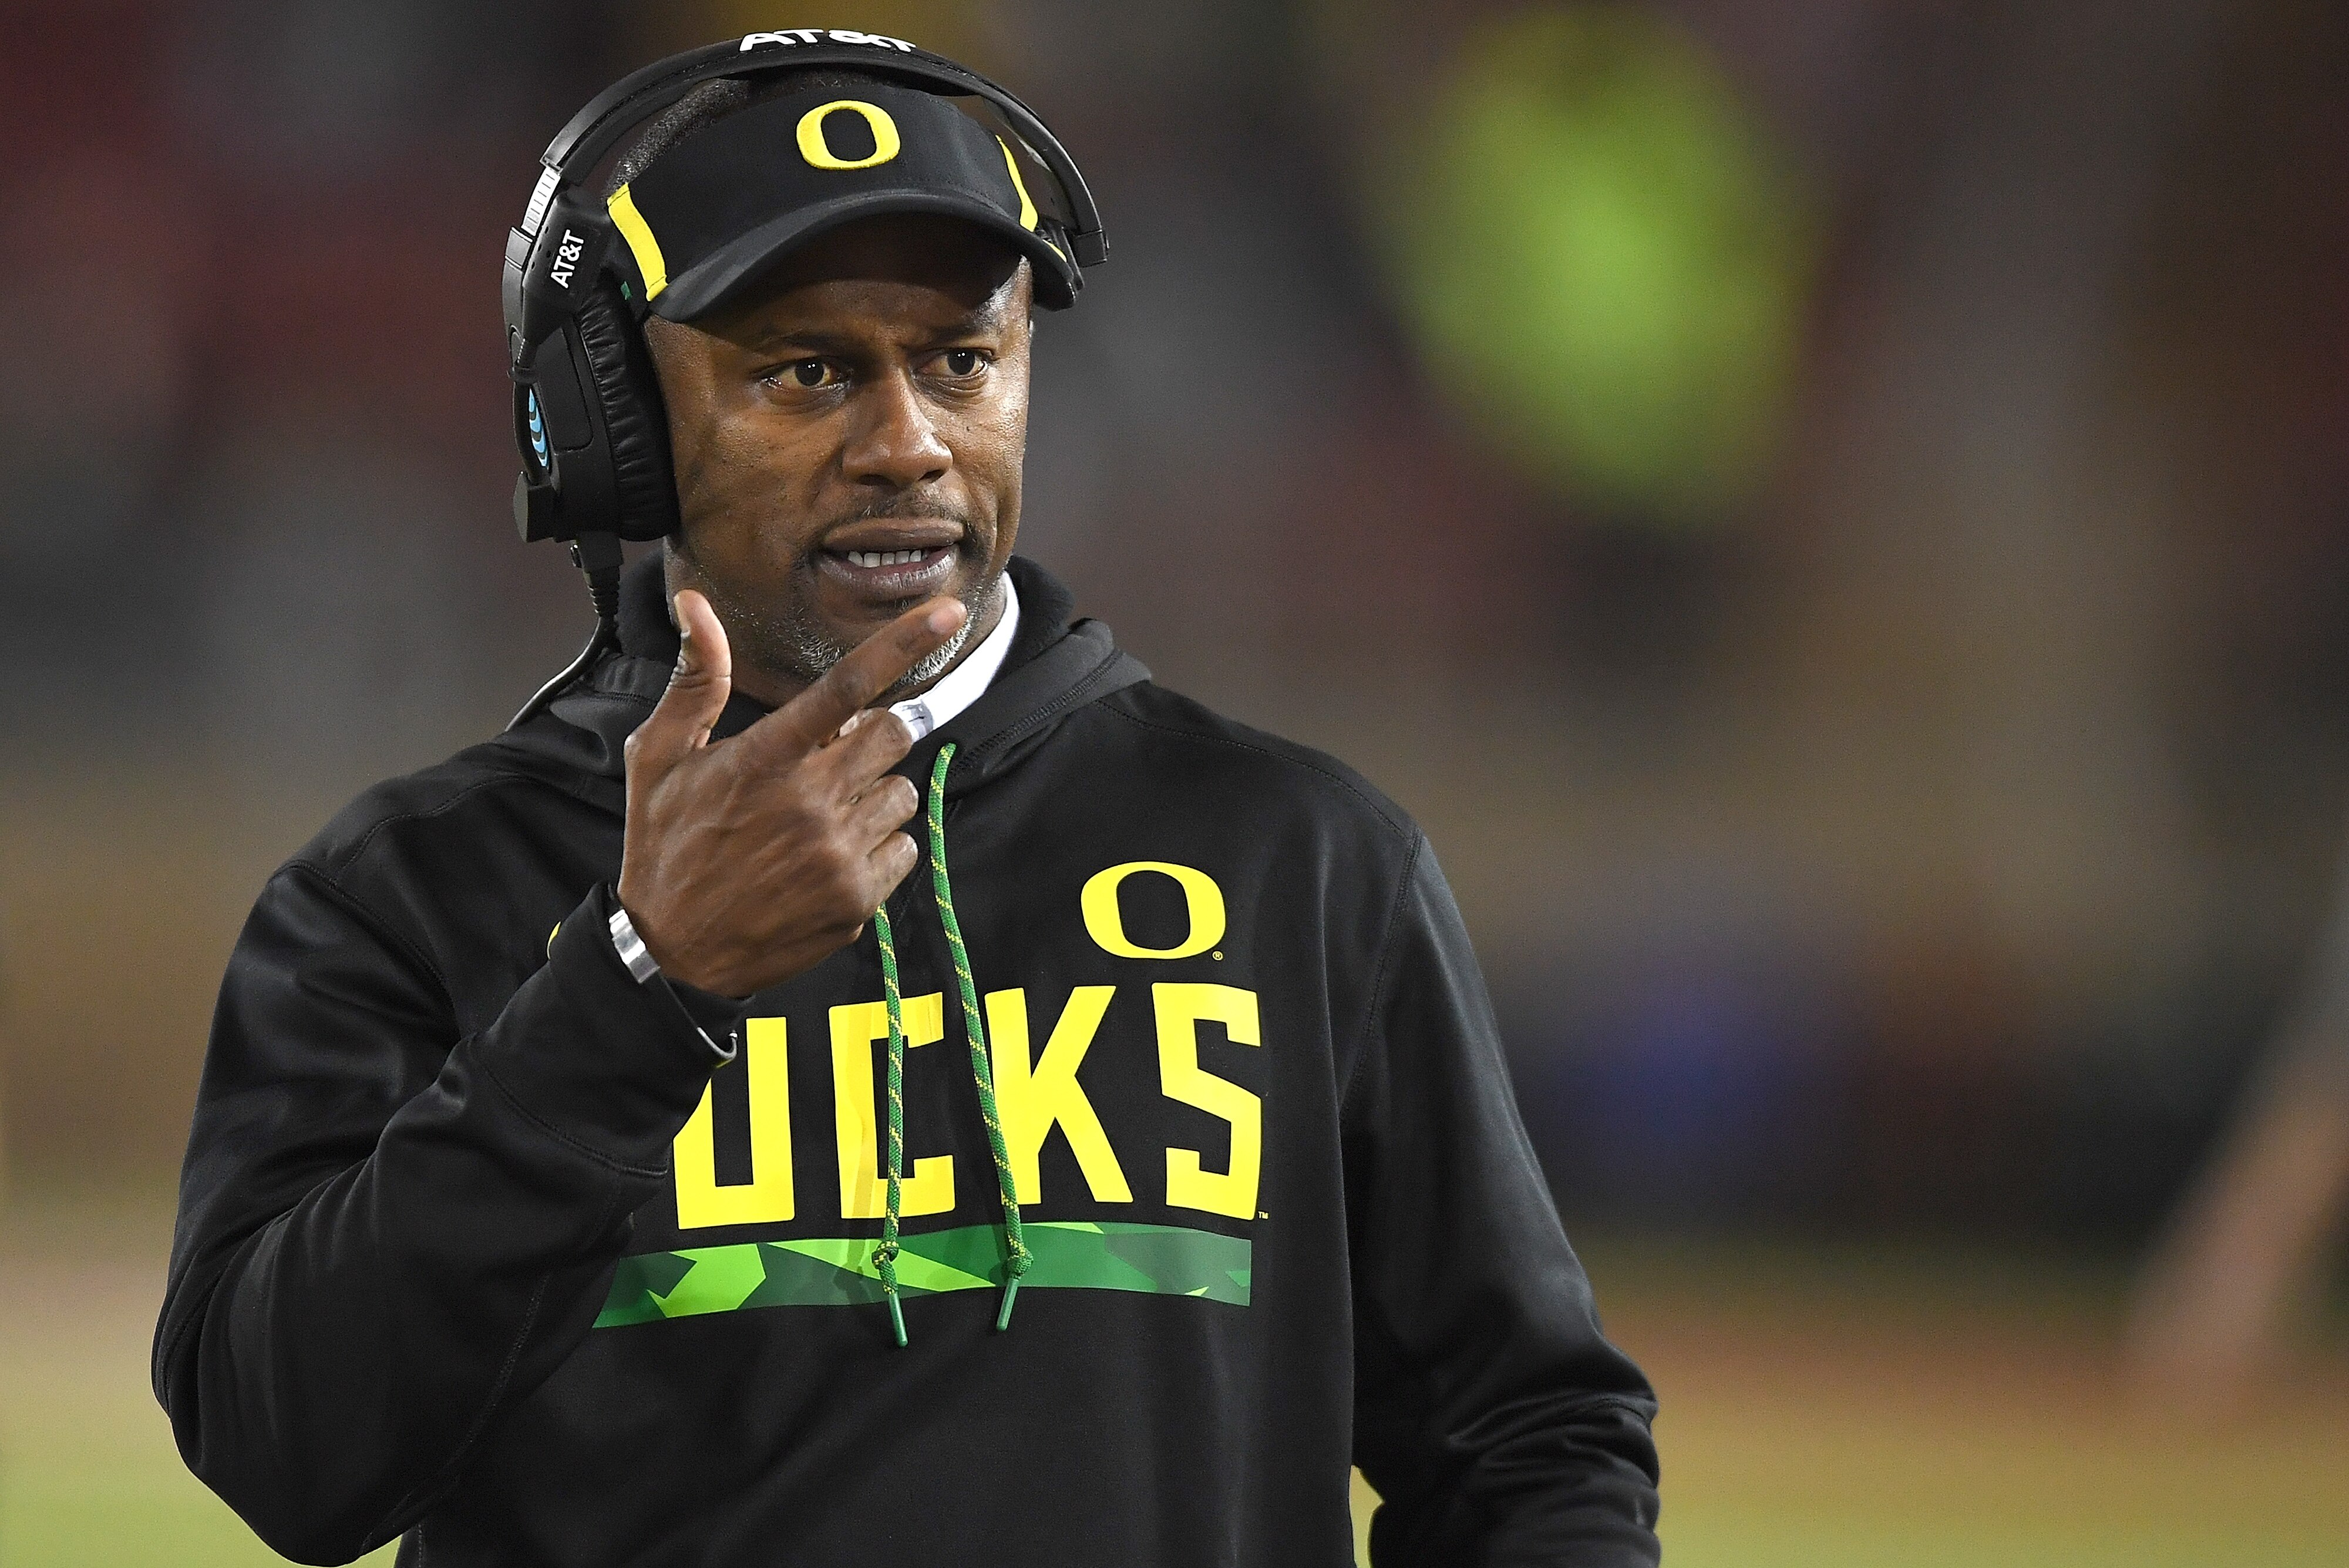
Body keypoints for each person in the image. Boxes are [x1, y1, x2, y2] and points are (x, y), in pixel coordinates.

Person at [153, 34, 1660, 1567]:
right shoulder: (412, 896)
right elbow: (286, 1455)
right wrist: (635, 989)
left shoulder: (1303, 858)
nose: (906, 444)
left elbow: (1530, 1450)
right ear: (615, 427)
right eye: (806, 370)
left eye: (961, 360)